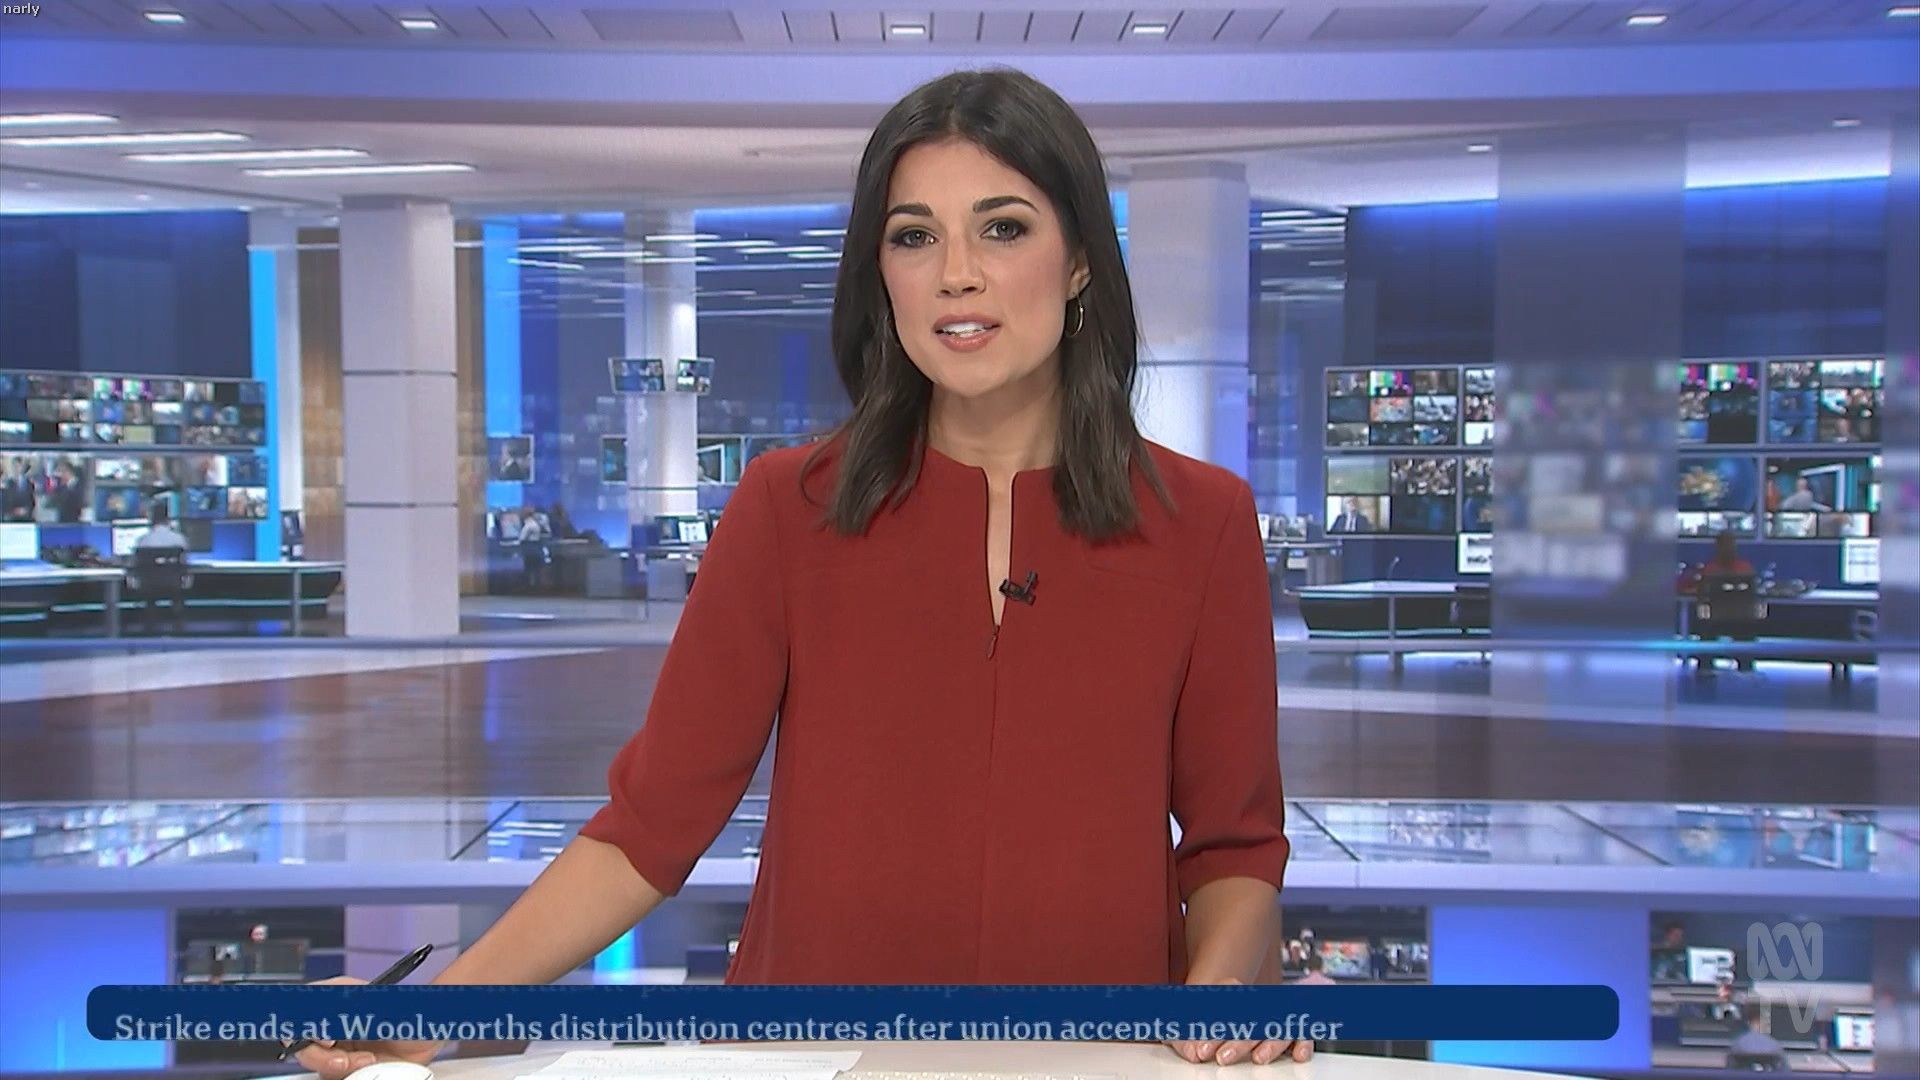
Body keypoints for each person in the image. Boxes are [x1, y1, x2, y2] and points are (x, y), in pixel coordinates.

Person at [295, 68, 1300, 1077]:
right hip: (810, 1057)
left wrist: (1219, 995)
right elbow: (650, 826)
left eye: (1003, 228)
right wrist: (433, 1012)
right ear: (880, 272)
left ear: (1079, 260)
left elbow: (1235, 845)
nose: (956, 275)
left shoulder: (1202, 523)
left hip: (1099, 1059)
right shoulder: (789, 507)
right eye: (914, 236)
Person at [132, 503, 190, 634]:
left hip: (149, 586)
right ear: (168, 519)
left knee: (149, 592)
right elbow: (185, 563)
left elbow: (136, 565)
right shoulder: (179, 539)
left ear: (152, 520)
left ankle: (150, 626)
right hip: (174, 584)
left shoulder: (143, 541)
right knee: (177, 592)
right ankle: (179, 626)